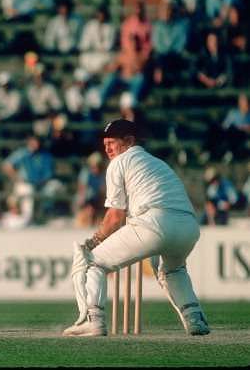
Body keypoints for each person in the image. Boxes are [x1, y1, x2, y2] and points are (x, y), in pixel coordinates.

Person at [63, 119, 210, 337]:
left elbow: (115, 217)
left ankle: (93, 320)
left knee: (92, 262)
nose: (107, 149)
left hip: (153, 223)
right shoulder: (158, 163)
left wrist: (92, 242)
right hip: (188, 227)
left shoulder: (119, 163)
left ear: (129, 141)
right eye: (105, 144)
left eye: (112, 142)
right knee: (173, 270)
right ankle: (194, 318)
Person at [78, 6, 116, 75]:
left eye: (102, 14)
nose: (101, 16)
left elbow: (109, 45)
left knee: (107, 61)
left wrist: (101, 48)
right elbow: (84, 43)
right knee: (84, 59)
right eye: (99, 14)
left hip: (104, 55)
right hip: (91, 53)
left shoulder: (110, 27)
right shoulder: (90, 25)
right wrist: (90, 48)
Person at [73, 152, 105, 229]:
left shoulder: (103, 174)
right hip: (86, 198)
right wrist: (83, 200)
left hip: (97, 198)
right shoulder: (86, 172)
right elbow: (82, 188)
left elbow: (103, 189)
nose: (96, 168)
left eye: (98, 165)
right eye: (93, 165)